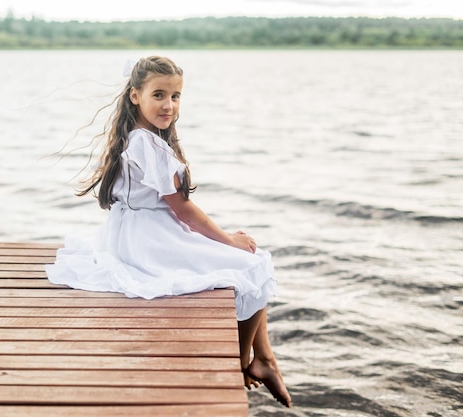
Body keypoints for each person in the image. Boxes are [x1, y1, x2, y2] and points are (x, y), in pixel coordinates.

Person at [45, 56, 291, 408]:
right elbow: (183, 211)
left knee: (248, 261)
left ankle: (265, 359)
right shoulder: (149, 144)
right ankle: (242, 363)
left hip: (129, 235)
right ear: (135, 96)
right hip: (149, 241)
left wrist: (225, 241)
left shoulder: (132, 137)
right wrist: (229, 240)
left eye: (175, 96)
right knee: (253, 263)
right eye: (158, 95)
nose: (169, 105)